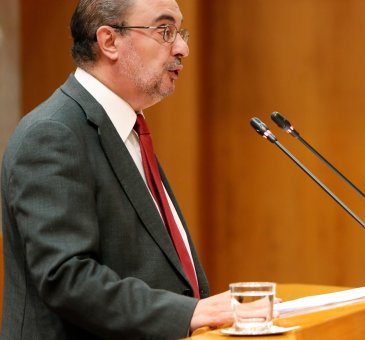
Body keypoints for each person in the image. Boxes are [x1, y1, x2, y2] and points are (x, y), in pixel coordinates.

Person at [1, 0, 236, 338]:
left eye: (180, 32)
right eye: (165, 31)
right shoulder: (53, 133)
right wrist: (188, 313)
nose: (182, 47)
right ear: (109, 41)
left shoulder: (126, 127)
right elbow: (66, 278)